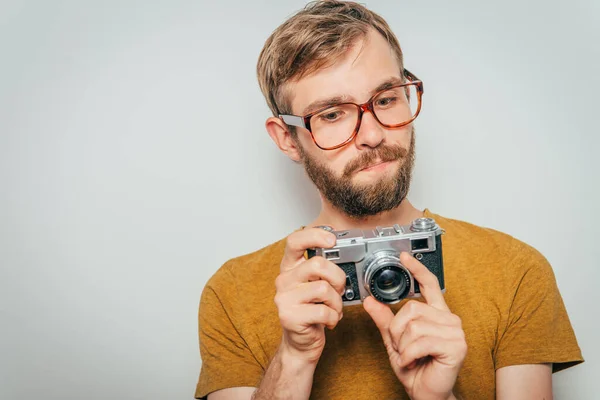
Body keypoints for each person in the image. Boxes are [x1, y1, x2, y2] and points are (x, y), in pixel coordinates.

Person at [194, 1, 583, 399]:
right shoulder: (232, 293)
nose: (373, 135)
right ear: (286, 139)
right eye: (331, 114)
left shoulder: (515, 271)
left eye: (385, 99)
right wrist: (293, 359)